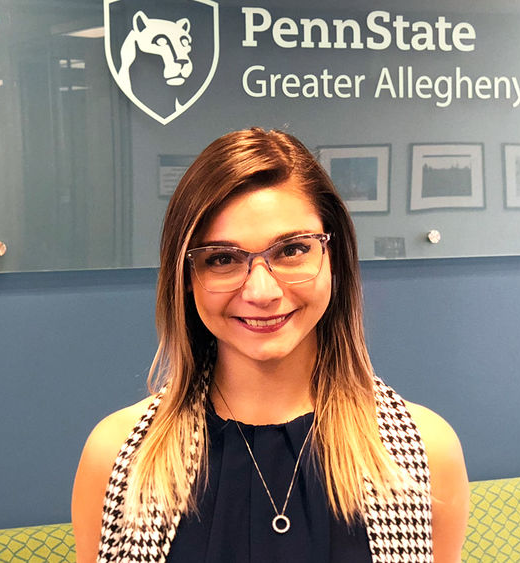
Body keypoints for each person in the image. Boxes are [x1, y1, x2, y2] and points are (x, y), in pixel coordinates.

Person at [72, 128, 469, 563]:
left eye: (292, 250)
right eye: (222, 259)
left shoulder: (423, 452)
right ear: (187, 279)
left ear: (331, 258)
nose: (261, 291)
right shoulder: (117, 458)